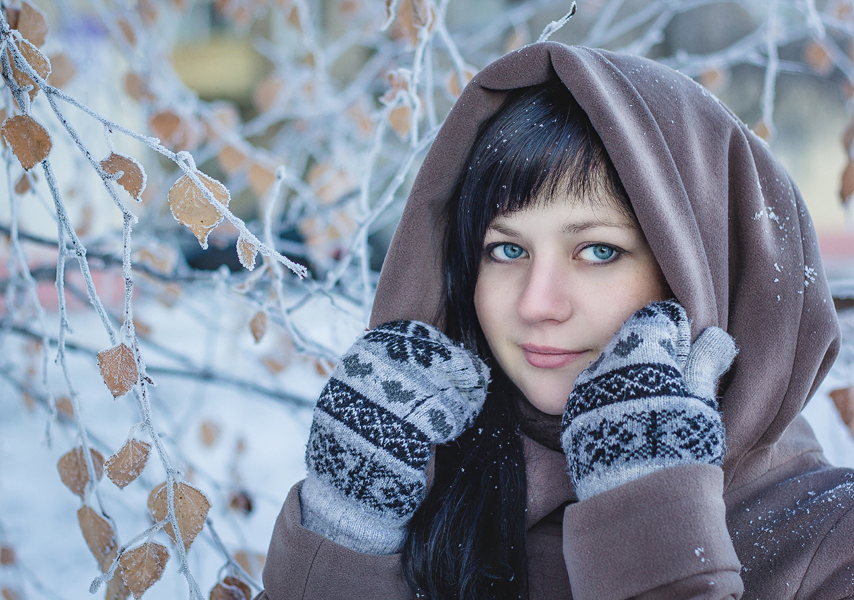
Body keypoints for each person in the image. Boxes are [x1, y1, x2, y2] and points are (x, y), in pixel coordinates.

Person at [254, 42, 851, 599]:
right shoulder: (418, 503)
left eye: (598, 251)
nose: (537, 304)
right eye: (507, 250)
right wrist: (343, 537)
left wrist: (651, 523)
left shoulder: (833, 543)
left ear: (709, 270)